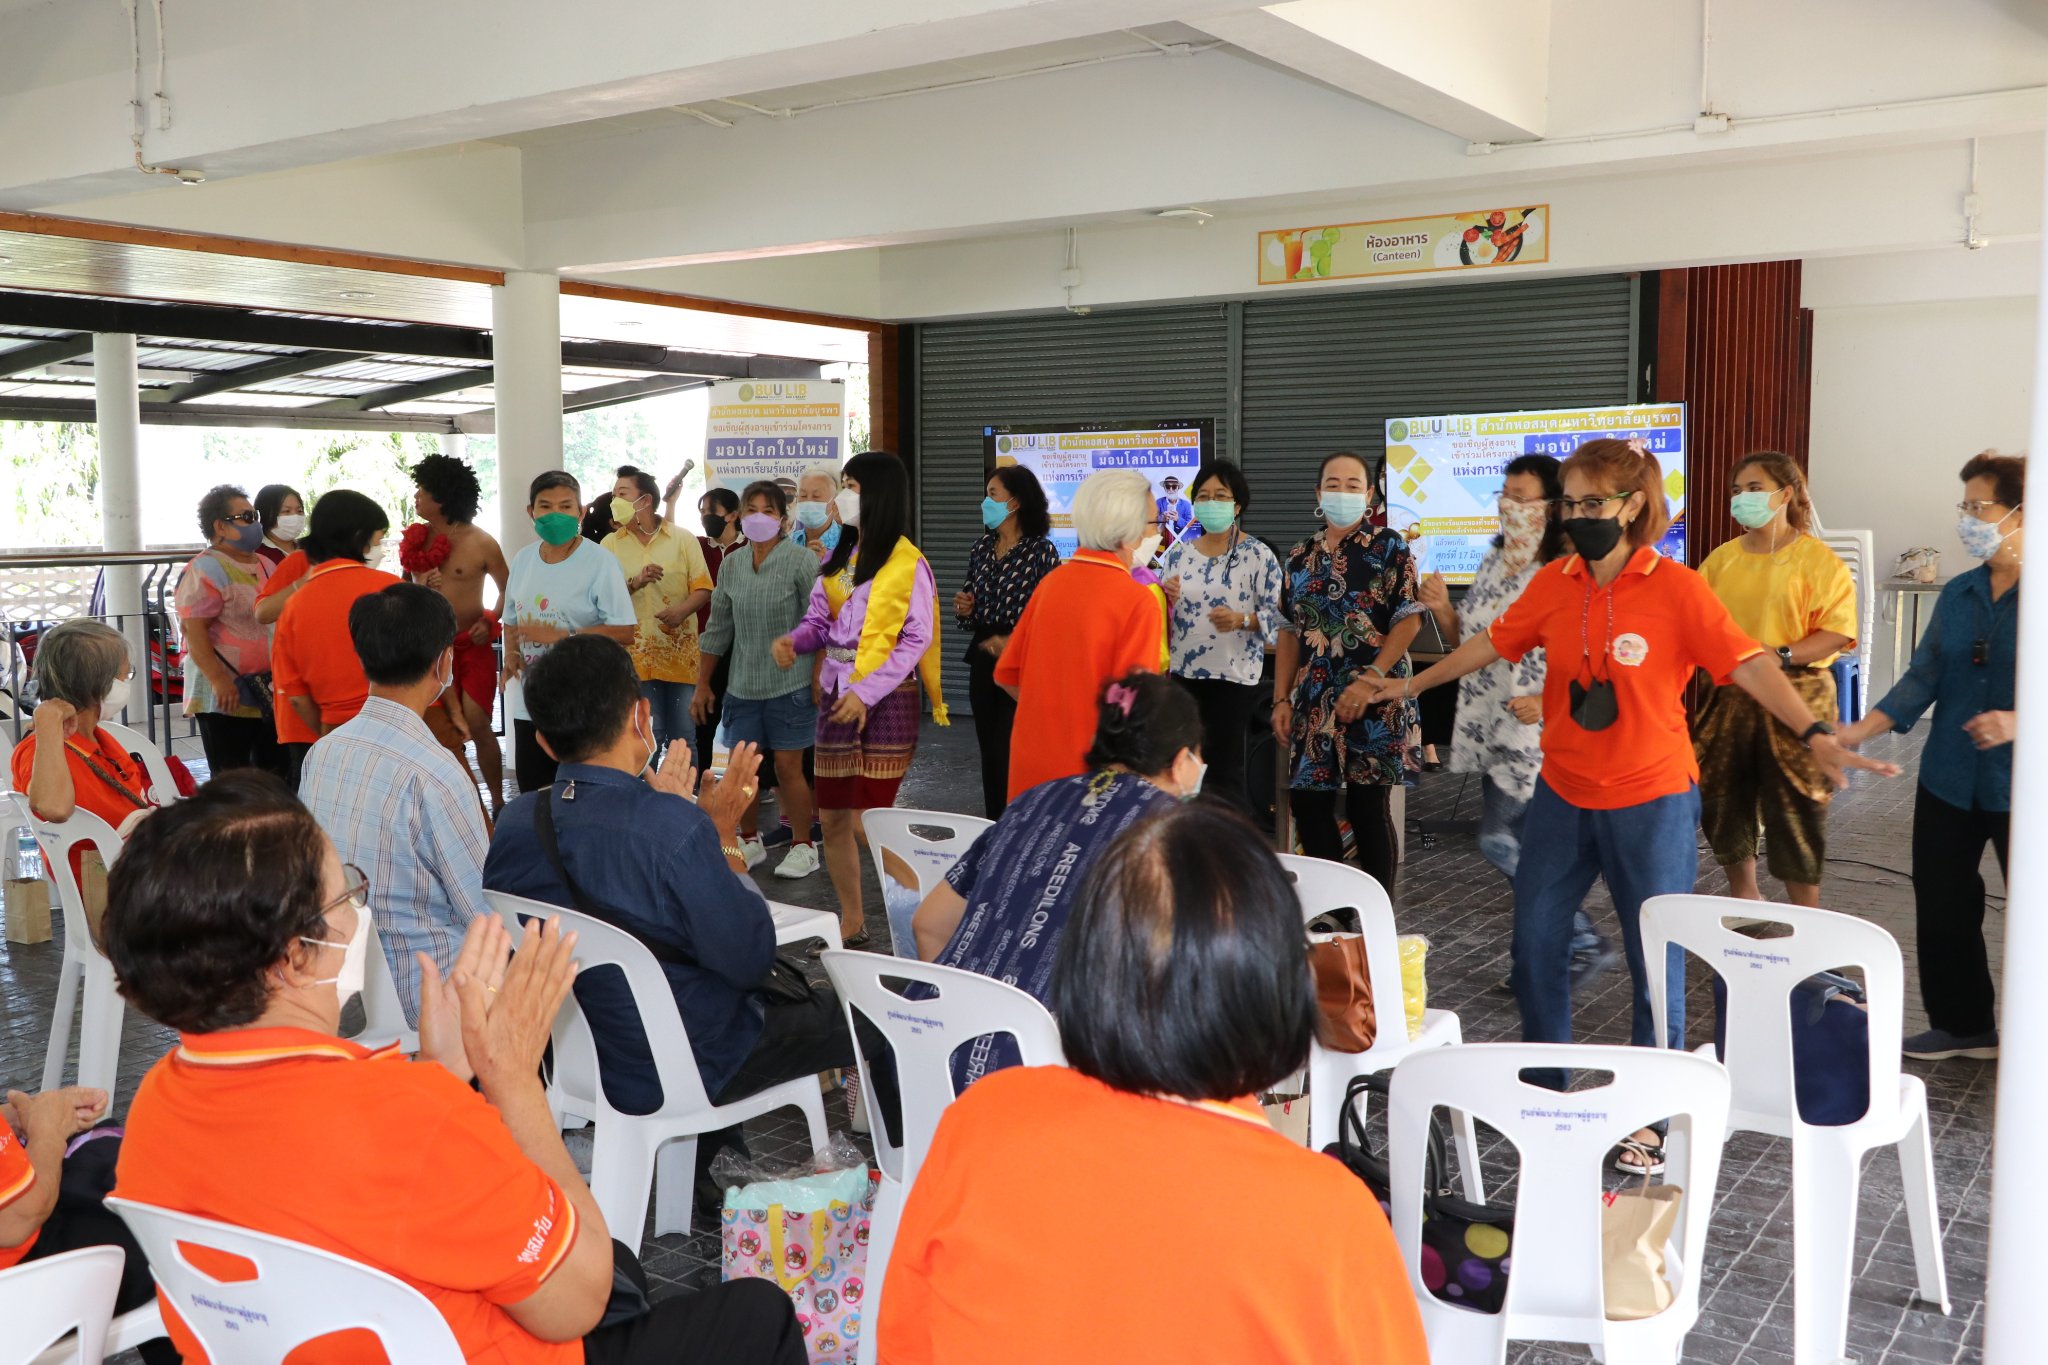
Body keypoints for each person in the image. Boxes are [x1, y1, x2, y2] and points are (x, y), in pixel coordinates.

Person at [103, 771, 807, 1365]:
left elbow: (349, 1191)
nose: (356, 914)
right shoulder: (405, 1117)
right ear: (292, 957)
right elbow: (579, 1299)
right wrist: (512, 1080)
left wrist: (440, 1076)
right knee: (755, 1313)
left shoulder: (157, 1105)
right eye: (344, 896)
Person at [1359, 438, 1897, 1169]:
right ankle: (1544, 1089)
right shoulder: (1556, 581)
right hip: (1563, 795)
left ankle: (1653, 1117)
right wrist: (1409, 685)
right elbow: (1491, 643)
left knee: (1656, 960)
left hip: (1652, 801)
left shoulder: (1676, 588)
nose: (1578, 515)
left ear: (1634, 504)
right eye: (1570, 503)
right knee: (1536, 945)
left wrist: (1814, 731)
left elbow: (1748, 664)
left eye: (1593, 502)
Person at [880, 800, 1429, 1365]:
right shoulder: (1326, 1214)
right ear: (1276, 989)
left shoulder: (982, 1116)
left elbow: (905, 1339)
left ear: (1084, 971)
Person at [484, 636, 854, 1121]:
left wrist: (673, 818)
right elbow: (750, 959)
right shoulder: (672, 828)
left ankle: (702, 1165)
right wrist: (722, 836)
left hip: (578, 1059)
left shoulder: (516, 822)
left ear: (544, 742)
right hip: (694, 1062)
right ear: (642, 715)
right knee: (879, 1012)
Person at [911, 671, 1202, 1086]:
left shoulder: (1034, 799)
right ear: (1181, 761)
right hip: (1041, 1088)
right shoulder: (1177, 833)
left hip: (918, 1057)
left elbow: (928, 924)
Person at [1840, 450, 2023, 1061]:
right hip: (1949, 774)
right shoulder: (1961, 592)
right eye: (1964, 506)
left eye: (1980, 507)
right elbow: (1925, 675)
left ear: (2023, 512)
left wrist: (2023, 722)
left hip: (2024, 785)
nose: (1968, 520)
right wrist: (1858, 731)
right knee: (1943, 901)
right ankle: (1963, 1025)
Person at [1416, 455, 1614, 990]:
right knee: (1528, 849)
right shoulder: (1494, 560)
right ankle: (1535, 961)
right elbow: (1473, 643)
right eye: (1505, 495)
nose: (1510, 506)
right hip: (1492, 723)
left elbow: (1591, 651)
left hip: (1539, 732)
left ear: (1552, 506)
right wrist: (1443, 610)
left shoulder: (1567, 568)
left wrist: (1549, 700)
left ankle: (1581, 939)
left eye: (1523, 497)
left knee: (1499, 839)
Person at [299, 584, 492, 1029]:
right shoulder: (435, 773)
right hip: (429, 1000)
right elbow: (483, 913)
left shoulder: (323, 753)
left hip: (342, 993)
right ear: (444, 662)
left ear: (363, 658)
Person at [775, 452, 946, 945]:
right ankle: (852, 921)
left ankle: (928, 918)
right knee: (832, 818)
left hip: (887, 700)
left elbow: (916, 638)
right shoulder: (841, 556)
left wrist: (865, 691)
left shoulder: (907, 562)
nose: (842, 497)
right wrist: (796, 641)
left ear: (878, 495)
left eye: (851, 486)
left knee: (867, 821)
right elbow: (818, 621)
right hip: (836, 696)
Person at [1695, 451, 1859, 908]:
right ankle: (1745, 896)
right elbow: (1696, 626)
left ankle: (1806, 912)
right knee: (1724, 799)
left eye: (1754, 488)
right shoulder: (1720, 561)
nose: (1741, 498)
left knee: (1797, 806)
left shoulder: (1818, 561)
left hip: (1798, 694)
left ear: (1785, 494)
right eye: (1736, 490)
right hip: (1726, 696)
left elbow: (1838, 632)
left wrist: (1781, 654)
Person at [1274, 453, 1424, 895]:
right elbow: (1289, 630)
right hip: (1315, 698)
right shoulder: (1299, 555)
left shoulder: (1390, 546)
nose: (1343, 492)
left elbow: (1410, 618)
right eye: (1333, 484)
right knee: (1308, 803)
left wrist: (1373, 675)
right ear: (1318, 494)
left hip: (1377, 693)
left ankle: (1375, 916)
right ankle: (1334, 911)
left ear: (1370, 494)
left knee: (1367, 807)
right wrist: (1281, 698)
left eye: (1353, 485)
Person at [992, 469, 1167, 800]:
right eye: (1153, 523)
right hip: (1093, 786)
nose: (1156, 533)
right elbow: (1131, 713)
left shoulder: (1052, 584)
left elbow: (1007, 675)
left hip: (1031, 776)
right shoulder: (1138, 600)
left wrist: (1057, 715)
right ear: (1128, 528)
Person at [693, 481, 821, 878]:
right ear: (740, 516)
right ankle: (748, 840)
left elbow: (821, 623)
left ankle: (804, 845)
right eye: (752, 509)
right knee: (741, 769)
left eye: (768, 510)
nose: (759, 517)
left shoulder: (801, 561)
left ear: (782, 518)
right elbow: (718, 628)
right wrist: (703, 684)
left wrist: (818, 676)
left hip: (792, 684)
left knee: (787, 768)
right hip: (742, 685)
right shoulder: (732, 564)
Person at [1, 1085, 177, 1364]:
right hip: (17, 1287)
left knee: (130, 1178)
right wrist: (47, 1131)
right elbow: (18, 1219)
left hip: (22, 1234)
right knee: (167, 1228)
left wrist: (17, 1118)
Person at [1159, 459, 1282, 816]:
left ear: (1237, 505)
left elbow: (1282, 620)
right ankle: (1189, 835)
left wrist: (1243, 620)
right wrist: (1165, 599)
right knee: (1183, 769)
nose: (1211, 502)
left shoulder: (1258, 555)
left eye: (1221, 496)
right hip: (1184, 677)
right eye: (1203, 496)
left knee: (1224, 773)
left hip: (1234, 679)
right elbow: (1161, 619)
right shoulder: (1178, 554)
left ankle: (1227, 840)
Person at [502, 471, 637, 792]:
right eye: (545, 506)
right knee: (535, 794)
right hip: (531, 702)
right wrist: (512, 654)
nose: (555, 514)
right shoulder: (522, 561)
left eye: (565, 506)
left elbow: (625, 631)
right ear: (531, 512)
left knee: (583, 797)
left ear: (581, 511)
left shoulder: (600, 562)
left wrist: (564, 636)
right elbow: (510, 620)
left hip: (584, 702)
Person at [10, 622, 156, 892]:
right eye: (125, 675)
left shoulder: (101, 738)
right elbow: (54, 808)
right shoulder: (40, 748)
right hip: (109, 884)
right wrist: (47, 723)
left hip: (141, 867)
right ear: (100, 684)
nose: (127, 683)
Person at [406, 451, 512, 816]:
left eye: (423, 490)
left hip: (473, 645)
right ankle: (455, 806)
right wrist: (421, 584)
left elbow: (508, 588)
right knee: (443, 727)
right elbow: (409, 595)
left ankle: (497, 801)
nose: (416, 496)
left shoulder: (481, 541)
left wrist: (491, 620)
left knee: (478, 721)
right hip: (433, 648)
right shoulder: (416, 541)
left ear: (443, 496)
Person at [954, 464, 1060, 817]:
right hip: (984, 654)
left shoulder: (1041, 551)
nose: (985, 502)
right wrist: (965, 606)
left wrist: (1014, 639)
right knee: (989, 750)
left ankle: (1019, 822)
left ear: (1014, 503)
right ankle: (994, 825)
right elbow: (969, 611)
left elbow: (1050, 614)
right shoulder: (981, 547)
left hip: (1022, 657)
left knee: (1010, 750)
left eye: (992, 494)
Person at [602, 466, 715, 768]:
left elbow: (703, 588)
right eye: (614, 495)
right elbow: (603, 598)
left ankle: (685, 795)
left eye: (622, 494)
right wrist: (635, 583)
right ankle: (644, 795)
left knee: (683, 738)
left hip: (680, 656)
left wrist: (681, 611)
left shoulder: (682, 539)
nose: (615, 501)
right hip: (635, 657)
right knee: (646, 736)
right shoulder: (610, 544)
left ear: (645, 500)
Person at [271, 489, 401, 743]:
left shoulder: (294, 605)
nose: (379, 550)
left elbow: (296, 696)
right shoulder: (391, 588)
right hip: (390, 728)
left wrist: (327, 738)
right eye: (377, 541)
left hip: (320, 732)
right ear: (358, 537)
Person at [176, 483, 282, 779]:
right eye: (246, 517)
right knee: (232, 779)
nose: (255, 523)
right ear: (220, 526)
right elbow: (194, 629)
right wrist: (219, 680)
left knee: (270, 776)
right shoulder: (205, 568)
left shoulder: (265, 564)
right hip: (223, 694)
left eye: (255, 516)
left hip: (265, 688)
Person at [694, 485, 743, 768]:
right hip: (708, 646)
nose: (705, 517)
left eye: (711, 511)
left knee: (743, 721)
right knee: (704, 719)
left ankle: (747, 782)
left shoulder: (750, 548)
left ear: (733, 515)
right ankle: (701, 778)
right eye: (702, 512)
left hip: (743, 648)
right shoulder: (698, 547)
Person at [791, 460, 844, 561]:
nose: (808, 501)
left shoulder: (846, 541)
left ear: (834, 504)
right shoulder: (790, 541)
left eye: (816, 496)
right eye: (803, 495)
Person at [253, 483, 305, 566]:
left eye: (300, 511)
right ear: (266, 514)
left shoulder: (310, 550)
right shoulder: (255, 555)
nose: (295, 516)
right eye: (287, 511)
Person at [1154, 472, 1194, 547]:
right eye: (1168, 486)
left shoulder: (1186, 505)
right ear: (1164, 488)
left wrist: (1178, 519)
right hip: (1163, 542)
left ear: (1178, 488)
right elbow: (1152, 522)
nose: (1171, 489)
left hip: (1181, 543)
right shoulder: (1158, 503)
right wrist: (1163, 518)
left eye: (1174, 486)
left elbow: (1190, 526)